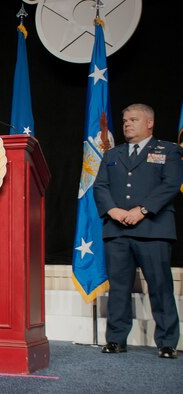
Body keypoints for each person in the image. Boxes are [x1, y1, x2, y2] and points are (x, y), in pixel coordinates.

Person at [93, 103, 182, 359]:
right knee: (119, 288)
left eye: (133, 120)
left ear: (150, 123)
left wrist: (142, 210)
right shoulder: (112, 154)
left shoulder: (168, 151)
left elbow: (171, 184)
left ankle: (167, 342)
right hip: (117, 230)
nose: (127, 124)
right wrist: (113, 211)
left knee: (160, 286)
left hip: (153, 229)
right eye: (124, 121)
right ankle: (116, 339)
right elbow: (100, 187)